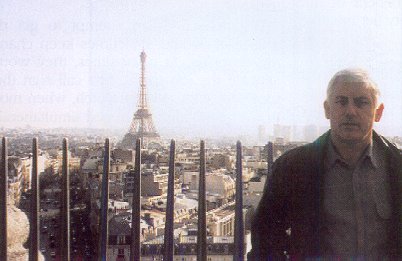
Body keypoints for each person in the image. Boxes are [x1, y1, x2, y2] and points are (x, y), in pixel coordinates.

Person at [248, 69, 402, 259]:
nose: (350, 111)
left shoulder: (396, 167)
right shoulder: (293, 168)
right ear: (327, 109)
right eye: (341, 101)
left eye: (361, 102)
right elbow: (266, 239)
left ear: (378, 112)